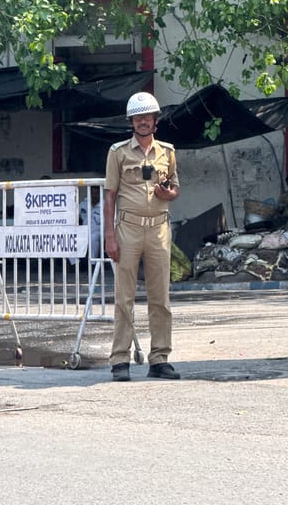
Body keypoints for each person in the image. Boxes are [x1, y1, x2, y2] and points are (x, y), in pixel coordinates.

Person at [104, 91, 180, 382]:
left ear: (155, 121)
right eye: (138, 118)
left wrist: (166, 193)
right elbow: (110, 196)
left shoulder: (168, 152)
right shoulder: (118, 153)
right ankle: (120, 360)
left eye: (147, 117)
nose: (143, 122)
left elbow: (175, 189)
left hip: (159, 228)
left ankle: (160, 358)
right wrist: (110, 236)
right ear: (131, 122)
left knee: (160, 297)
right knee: (124, 297)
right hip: (128, 228)